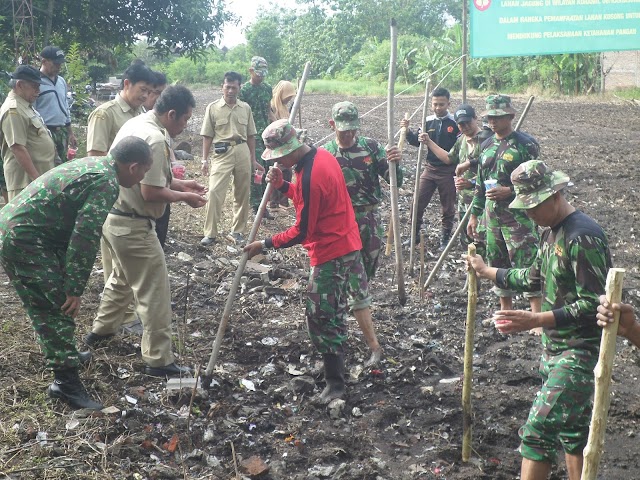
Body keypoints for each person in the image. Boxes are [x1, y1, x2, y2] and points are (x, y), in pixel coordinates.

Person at [467, 160, 611, 480]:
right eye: (525, 205)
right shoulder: (550, 232)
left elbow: (594, 305)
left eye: (534, 205)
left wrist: (535, 319)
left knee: (537, 432)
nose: (528, 213)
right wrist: (487, 271)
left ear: (556, 195)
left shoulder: (582, 237)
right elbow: (533, 277)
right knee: (572, 432)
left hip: (579, 353)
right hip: (555, 350)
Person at [0, 136, 153, 410]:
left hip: (32, 232)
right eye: (145, 170)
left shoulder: (97, 165)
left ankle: (66, 354)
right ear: (133, 166)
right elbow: (85, 236)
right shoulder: (106, 182)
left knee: (52, 300)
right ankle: (65, 384)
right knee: (56, 306)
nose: (144, 177)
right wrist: (75, 287)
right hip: (24, 239)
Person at [244, 119, 375, 405]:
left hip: (332, 250)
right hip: (345, 241)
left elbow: (303, 230)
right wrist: (284, 186)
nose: (278, 161)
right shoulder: (320, 156)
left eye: (279, 156)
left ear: (291, 149)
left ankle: (335, 384)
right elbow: (310, 198)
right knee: (334, 311)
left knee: (320, 315)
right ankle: (336, 368)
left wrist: (265, 244)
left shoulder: (311, 175)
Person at [85, 86, 207, 378]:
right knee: (154, 290)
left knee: (122, 279)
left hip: (115, 218)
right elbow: (150, 191)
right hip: (133, 223)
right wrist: (185, 198)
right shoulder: (153, 137)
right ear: (171, 114)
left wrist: (182, 185)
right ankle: (158, 359)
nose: (186, 125)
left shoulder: (138, 122)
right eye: (185, 119)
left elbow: (151, 179)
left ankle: (101, 331)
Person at [323, 101, 403, 366]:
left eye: (351, 129)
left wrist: (395, 163)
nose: (347, 135)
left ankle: (352, 312)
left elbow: (395, 181)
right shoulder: (326, 154)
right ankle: (373, 346)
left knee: (366, 274)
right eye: (342, 129)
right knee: (357, 281)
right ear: (332, 125)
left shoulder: (371, 147)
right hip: (341, 224)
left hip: (369, 219)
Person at [462, 94, 542, 323]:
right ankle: (505, 312)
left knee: (527, 260)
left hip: (518, 216)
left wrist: (511, 191)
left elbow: (538, 182)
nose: (493, 122)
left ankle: (536, 316)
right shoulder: (486, 145)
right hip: (492, 216)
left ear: (511, 116)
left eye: (498, 117)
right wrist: (475, 215)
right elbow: (479, 183)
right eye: (489, 117)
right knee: (497, 262)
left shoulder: (526, 145)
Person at [201, 71, 258, 246]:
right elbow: (207, 136)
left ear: (239, 88)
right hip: (221, 152)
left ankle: (238, 231)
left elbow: (251, 136)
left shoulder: (245, 108)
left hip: (242, 151)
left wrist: (253, 159)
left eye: (234, 87)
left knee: (242, 193)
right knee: (214, 191)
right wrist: (204, 160)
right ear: (222, 87)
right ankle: (210, 233)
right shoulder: (213, 108)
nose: (231, 91)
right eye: (228, 87)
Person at [400, 87, 459, 249]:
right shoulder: (427, 121)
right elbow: (417, 141)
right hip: (430, 169)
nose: (438, 107)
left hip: (448, 170)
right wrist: (406, 131)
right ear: (431, 104)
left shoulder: (455, 123)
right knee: (417, 202)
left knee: (448, 206)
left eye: (441, 104)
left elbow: (457, 151)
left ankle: (445, 238)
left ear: (448, 104)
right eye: (435, 104)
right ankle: (414, 235)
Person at [420, 104, 485, 249]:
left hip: (481, 202)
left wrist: (471, 182)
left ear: (475, 119)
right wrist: (429, 142)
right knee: (467, 242)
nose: (465, 126)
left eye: (468, 122)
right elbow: (449, 158)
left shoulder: (487, 141)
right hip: (464, 201)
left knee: (481, 241)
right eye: (461, 124)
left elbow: (492, 173)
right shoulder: (462, 140)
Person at [0, 65, 56, 201]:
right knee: (26, 222)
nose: (38, 91)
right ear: (19, 85)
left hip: (37, 180)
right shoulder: (13, 109)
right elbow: (17, 147)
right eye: (34, 86)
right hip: (26, 182)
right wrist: (37, 180)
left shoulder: (24, 106)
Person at [86, 60, 155, 156]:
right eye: (143, 90)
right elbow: (95, 154)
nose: (145, 96)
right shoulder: (104, 113)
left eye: (149, 92)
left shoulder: (142, 113)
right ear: (127, 84)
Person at [239, 56, 276, 219]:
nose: (261, 77)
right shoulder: (244, 90)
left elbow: (269, 110)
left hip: (266, 135)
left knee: (268, 169)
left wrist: (277, 125)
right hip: (251, 135)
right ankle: (255, 206)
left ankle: (263, 204)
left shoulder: (267, 88)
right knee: (257, 170)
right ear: (251, 71)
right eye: (258, 73)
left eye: (263, 74)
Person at [143, 71, 172, 247]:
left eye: (163, 93)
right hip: (135, 212)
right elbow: (150, 191)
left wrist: (178, 184)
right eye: (156, 93)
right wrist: (184, 195)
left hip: (159, 185)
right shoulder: (151, 131)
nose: (159, 98)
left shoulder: (159, 124)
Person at [35, 46, 77, 165]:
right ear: (44, 61)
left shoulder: (61, 81)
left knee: (63, 166)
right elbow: (31, 112)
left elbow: (65, 107)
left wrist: (70, 133)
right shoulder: (35, 82)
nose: (58, 67)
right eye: (55, 63)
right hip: (45, 131)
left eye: (60, 64)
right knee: (47, 166)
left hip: (61, 131)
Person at [269, 80, 296, 209]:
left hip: (286, 144)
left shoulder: (284, 107)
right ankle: (274, 202)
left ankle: (283, 202)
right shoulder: (273, 106)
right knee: (276, 172)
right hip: (276, 144)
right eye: (287, 97)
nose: (288, 99)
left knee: (287, 173)